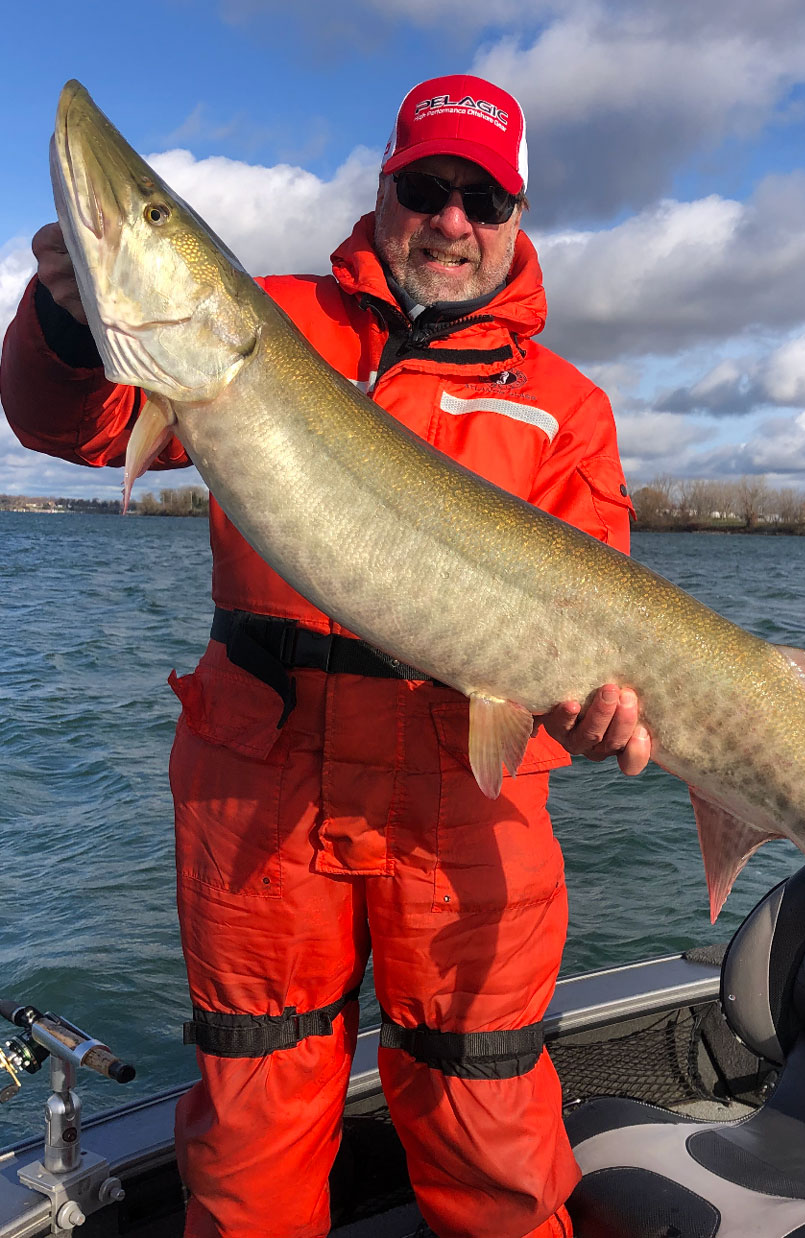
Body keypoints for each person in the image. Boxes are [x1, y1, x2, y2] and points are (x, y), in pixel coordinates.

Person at [1, 74, 649, 1238]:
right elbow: (73, 425)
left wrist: (597, 711)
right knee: (249, 1151)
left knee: (495, 1140)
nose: (454, 219)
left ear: (517, 216)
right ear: (387, 186)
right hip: (265, 807)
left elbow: (593, 619)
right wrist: (61, 317)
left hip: (464, 811)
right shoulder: (266, 321)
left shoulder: (567, 408)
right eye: (428, 186)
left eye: (484, 198)